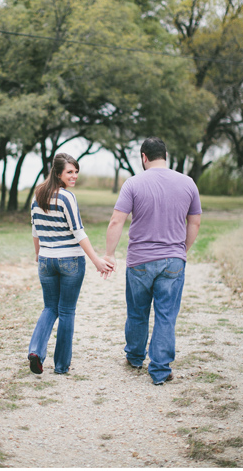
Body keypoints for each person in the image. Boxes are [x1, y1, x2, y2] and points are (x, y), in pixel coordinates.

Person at [104, 137, 201, 385]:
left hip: (139, 261)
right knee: (166, 314)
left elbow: (117, 221)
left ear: (144, 157)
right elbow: (195, 222)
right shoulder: (188, 183)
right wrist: (182, 250)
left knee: (137, 312)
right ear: (165, 155)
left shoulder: (133, 183)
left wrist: (110, 254)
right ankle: (159, 370)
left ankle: (136, 357)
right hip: (173, 260)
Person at [28, 153, 114, 375]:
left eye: (76, 171)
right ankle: (61, 365)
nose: (74, 176)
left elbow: (35, 230)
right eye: (70, 172)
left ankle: (36, 351)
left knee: (49, 307)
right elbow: (78, 231)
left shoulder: (37, 196)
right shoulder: (67, 197)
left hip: (46, 261)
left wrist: (39, 254)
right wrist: (96, 260)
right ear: (58, 174)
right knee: (66, 311)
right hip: (70, 262)